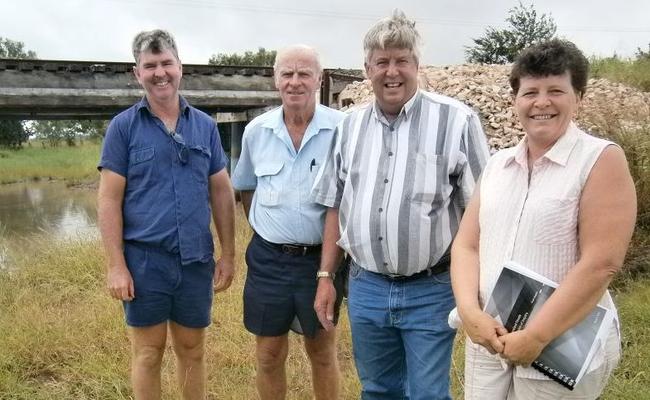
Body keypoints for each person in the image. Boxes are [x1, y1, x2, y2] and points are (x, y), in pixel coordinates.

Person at [312, 10, 490, 400]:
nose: (391, 72)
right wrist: (326, 277)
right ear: (366, 69)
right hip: (366, 286)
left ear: (416, 65)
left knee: (427, 394)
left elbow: (482, 216)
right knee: (377, 390)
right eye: (382, 62)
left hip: (432, 289)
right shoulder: (347, 127)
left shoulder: (457, 122)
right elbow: (334, 206)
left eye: (401, 61)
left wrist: (477, 290)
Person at [450, 39, 636, 399]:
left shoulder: (600, 160)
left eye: (556, 90)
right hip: (490, 335)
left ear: (578, 96)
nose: (541, 102)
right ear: (516, 100)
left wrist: (537, 335)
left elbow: (601, 264)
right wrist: (469, 311)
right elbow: (467, 244)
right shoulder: (497, 165)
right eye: (530, 91)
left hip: (559, 340)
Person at [97, 29, 236, 400]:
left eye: (166, 64)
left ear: (180, 67)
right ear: (136, 73)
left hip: (195, 260)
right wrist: (116, 265)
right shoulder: (122, 128)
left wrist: (229, 254)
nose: (160, 73)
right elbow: (109, 200)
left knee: (193, 350)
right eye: (150, 66)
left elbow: (221, 191)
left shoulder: (205, 127)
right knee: (147, 352)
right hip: (144, 262)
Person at [231, 45, 346, 400]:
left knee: (322, 353)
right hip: (269, 261)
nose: (295, 82)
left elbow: (347, 200)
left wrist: (327, 267)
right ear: (275, 79)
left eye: (304, 73)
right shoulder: (256, 131)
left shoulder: (343, 129)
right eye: (287, 74)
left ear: (319, 79)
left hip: (322, 261)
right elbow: (247, 189)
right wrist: (272, 231)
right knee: (267, 355)